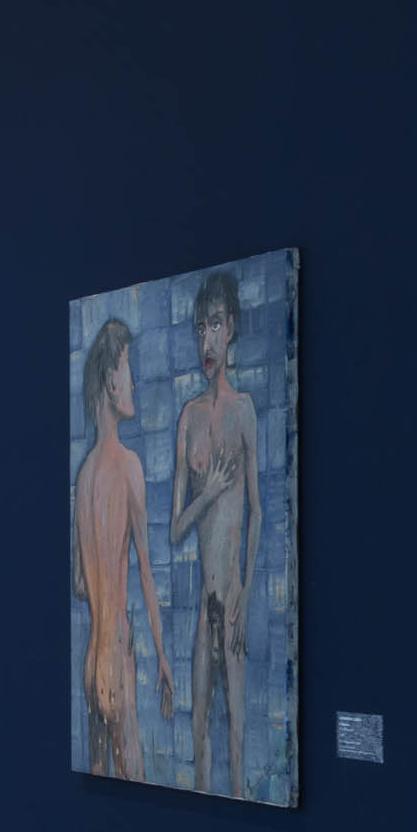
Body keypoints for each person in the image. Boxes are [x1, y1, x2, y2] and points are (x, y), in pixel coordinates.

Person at [170, 271, 263, 797]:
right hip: (204, 611)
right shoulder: (187, 417)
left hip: (231, 604)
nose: (206, 341)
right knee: (199, 731)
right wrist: (208, 492)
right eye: (199, 328)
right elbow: (177, 527)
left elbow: (256, 510)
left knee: (235, 739)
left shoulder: (245, 411)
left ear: (231, 330)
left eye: (215, 326)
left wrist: (247, 595)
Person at [75, 317, 173, 778]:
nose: (133, 381)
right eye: (128, 368)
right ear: (112, 379)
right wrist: (163, 658)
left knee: (96, 787)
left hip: (92, 660)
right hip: (117, 650)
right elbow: (147, 575)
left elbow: (79, 583)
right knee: (135, 781)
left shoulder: (84, 476)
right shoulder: (128, 466)